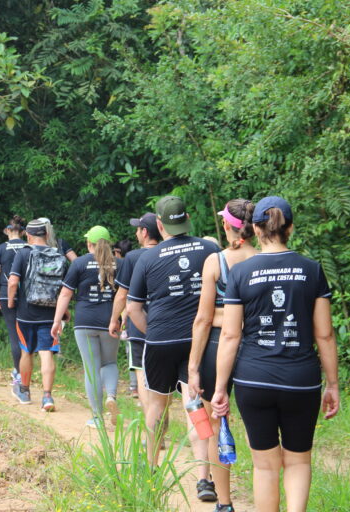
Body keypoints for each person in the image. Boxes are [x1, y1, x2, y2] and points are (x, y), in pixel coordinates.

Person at [211, 196, 339, 512]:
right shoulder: (312, 270)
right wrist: (333, 384)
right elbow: (324, 333)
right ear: (290, 228)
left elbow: (230, 334)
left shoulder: (240, 272)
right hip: (301, 380)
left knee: (265, 466)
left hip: (254, 380)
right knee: (297, 461)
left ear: (255, 228)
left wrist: (219, 388)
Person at [126, 196, 220, 493]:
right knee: (196, 406)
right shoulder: (210, 249)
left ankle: (151, 470)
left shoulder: (147, 258)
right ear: (188, 217)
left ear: (159, 224)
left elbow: (133, 308)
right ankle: (205, 478)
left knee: (156, 406)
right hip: (199, 342)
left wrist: (153, 330)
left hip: (160, 340)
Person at [187, 199, 258, 512]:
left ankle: (225, 503)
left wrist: (192, 366)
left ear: (227, 226)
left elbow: (202, 319)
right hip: (256, 346)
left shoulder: (216, 262)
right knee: (259, 427)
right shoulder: (262, 259)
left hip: (217, 344)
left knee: (215, 425)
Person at [52, 226, 120, 428]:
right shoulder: (119, 264)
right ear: (108, 244)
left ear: (88, 243)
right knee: (109, 363)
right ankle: (112, 396)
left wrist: (57, 321)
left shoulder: (79, 263)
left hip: (84, 322)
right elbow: (125, 294)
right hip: (110, 321)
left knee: (91, 369)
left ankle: (98, 418)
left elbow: (65, 294)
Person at [8, 218, 68, 411]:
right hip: (50, 314)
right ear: (47, 234)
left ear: (28, 235)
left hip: (26, 313)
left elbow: (12, 282)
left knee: (26, 351)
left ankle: (24, 391)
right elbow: (64, 289)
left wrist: (10, 302)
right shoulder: (58, 255)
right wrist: (63, 311)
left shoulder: (23, 254)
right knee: (46, 353)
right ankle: (47, 397)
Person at [109, 214, 162, 415]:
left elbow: (122, 294)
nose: (135, 233)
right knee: (162, 379)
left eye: (138, 229)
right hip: (165, 324)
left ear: (145, 232)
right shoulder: (168, 252)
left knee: (141, 373)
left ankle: (152, 429)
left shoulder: (132, 257)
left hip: (139, 325)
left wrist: (115, 319)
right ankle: (160, 425)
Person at [0, 215, 27, 385]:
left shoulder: (1, 248)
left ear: (8, 231)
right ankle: (26, 369)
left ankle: (18, 373)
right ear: (24, 232)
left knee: (13, 334)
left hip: (5, 293)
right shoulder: (29, 247)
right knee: (25, 333)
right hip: (27, 295)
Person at [113, 238, 137, 397]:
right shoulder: (139, 259)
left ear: (117, 252)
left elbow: (123, 295)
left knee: (132, 352)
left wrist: (120, 319)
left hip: (129, 313)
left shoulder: (122, 265)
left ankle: (134, 386)